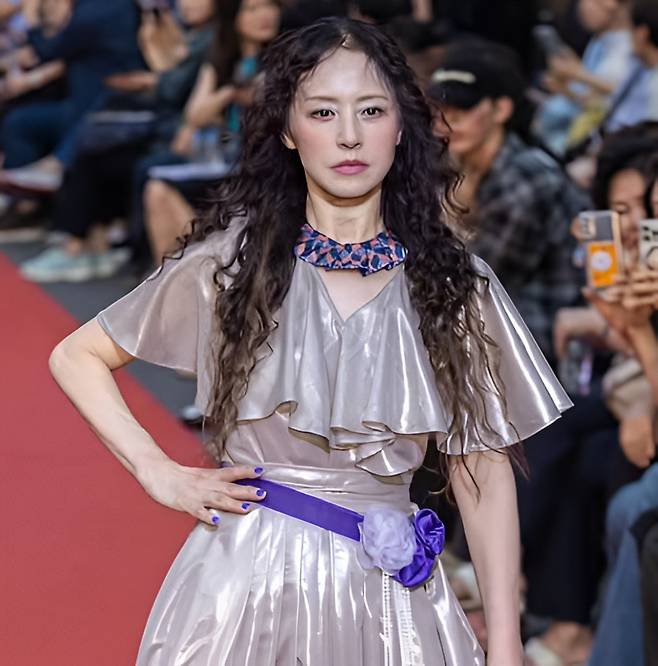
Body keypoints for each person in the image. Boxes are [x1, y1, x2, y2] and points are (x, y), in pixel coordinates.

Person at [49, 18, 571, 665]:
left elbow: (482, 470)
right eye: (323, 112)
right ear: (289, 131)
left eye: (370, 110)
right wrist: (159, 472)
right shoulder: (233, 265)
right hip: (245, 585)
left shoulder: (454, 284)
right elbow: (77, 355)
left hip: (391, 603)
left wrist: (506, 644)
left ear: (400, 126)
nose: (349, 134)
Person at [427, 39, 587, 365]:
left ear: (501, 110)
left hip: (541, 342)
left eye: (462, 110)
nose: (447, 122)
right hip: (492, 327)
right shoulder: (457, 168)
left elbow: (474, 280)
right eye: (440, 110)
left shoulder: (527, 179)